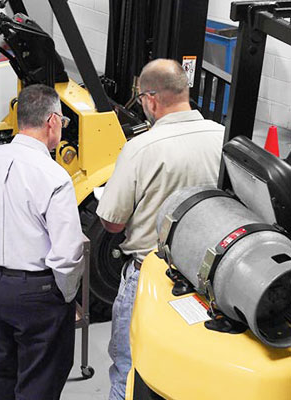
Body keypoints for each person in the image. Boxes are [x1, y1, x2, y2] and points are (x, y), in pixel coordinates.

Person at [97, 59, 225, 400]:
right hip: (207, 282)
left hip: (151, 279)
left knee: (130, 369)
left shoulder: (141, 148)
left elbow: (112, 221)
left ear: (150, 99)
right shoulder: (223, 136)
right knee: (188, 375)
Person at [0, 84, 85, 400]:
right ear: (52, 122)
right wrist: (62, 295)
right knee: (39, 382)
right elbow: (68, 253)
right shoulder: (54, 177)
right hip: (36, 295)